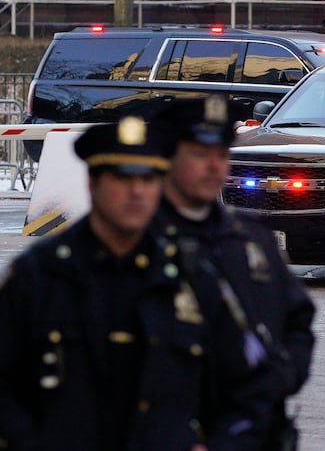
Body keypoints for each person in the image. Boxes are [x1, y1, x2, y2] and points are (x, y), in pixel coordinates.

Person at [0, 117, 272, 451]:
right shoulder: (38, 276)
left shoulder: (193, 276)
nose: (136, 191)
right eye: (122, 177)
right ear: (92, 184)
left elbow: (247, 382)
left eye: (148, 178)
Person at [152, 96, 316, 451]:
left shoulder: (250, 237)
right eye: (199, 155)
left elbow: (298, 319)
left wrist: (280, 378)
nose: (214, 167)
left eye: (221, 155)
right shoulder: (139, 244)